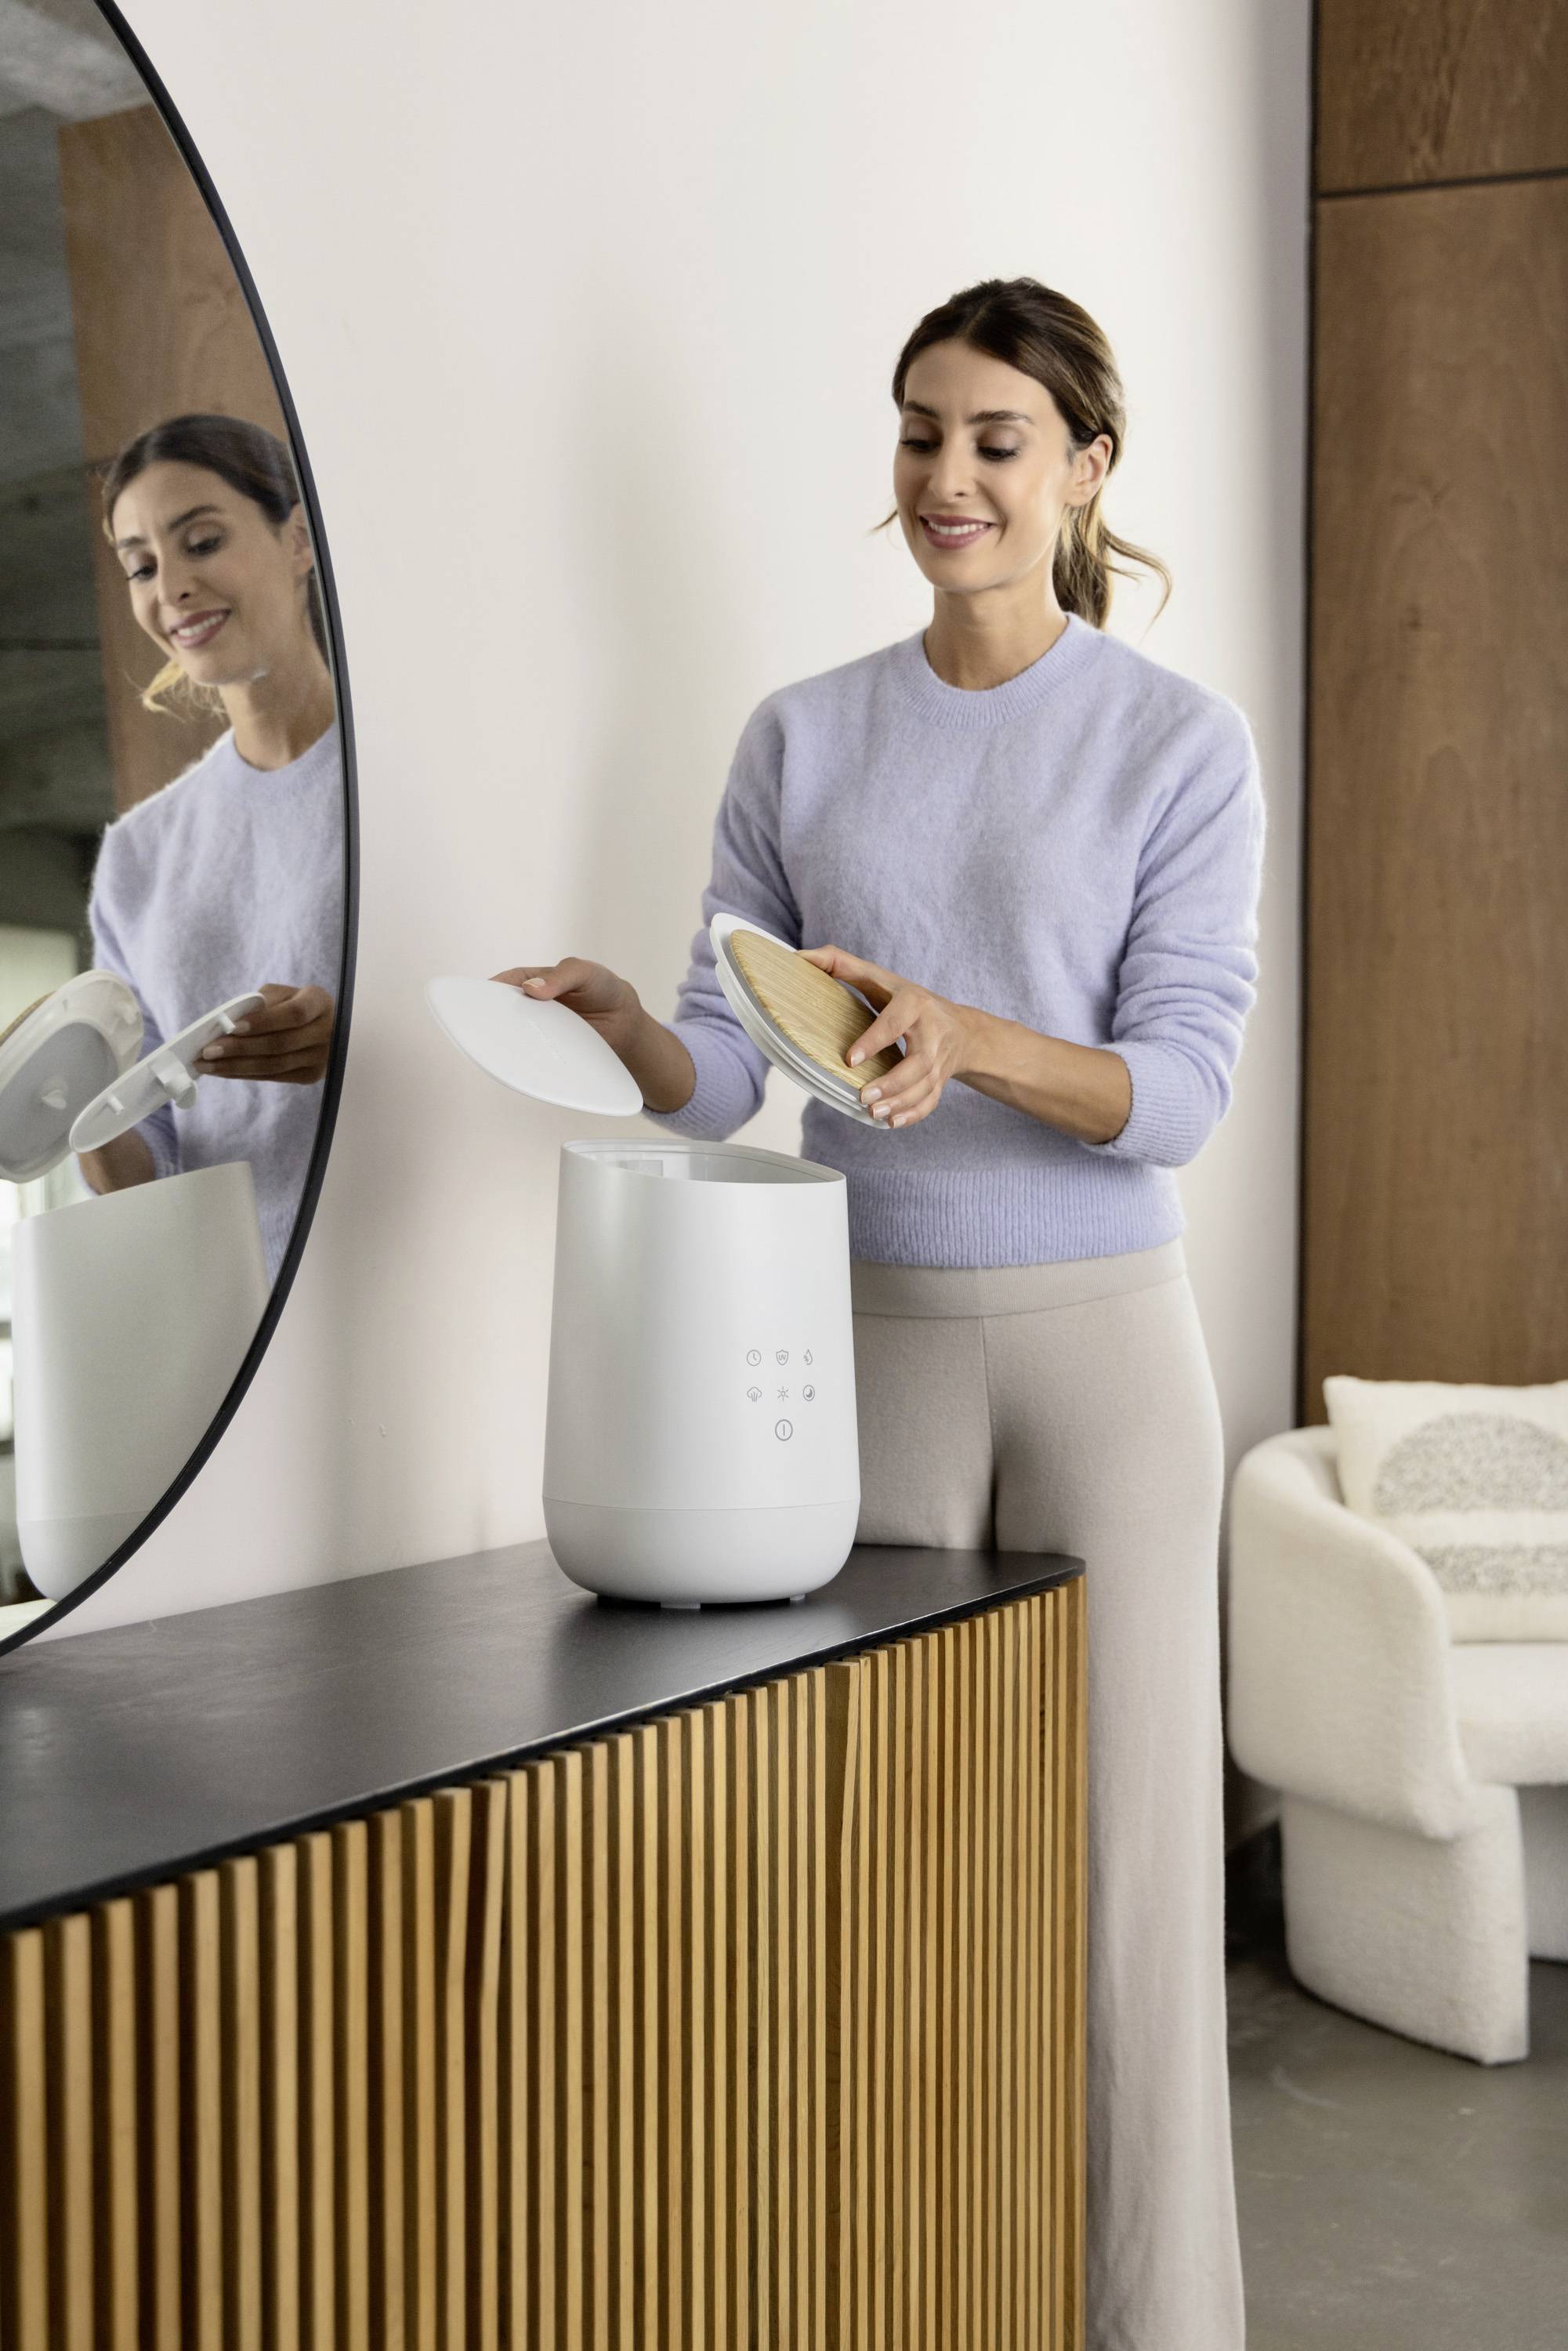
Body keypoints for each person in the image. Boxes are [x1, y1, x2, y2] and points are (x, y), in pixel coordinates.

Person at [498, 276, 1262, 2350]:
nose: (946, 477)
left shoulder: (1175, 744)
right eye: (920, 432)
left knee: (1122, 1898)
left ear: (1085, 470)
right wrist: (627, 1043)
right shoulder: (803, 734)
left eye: (996, 441)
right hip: (860, 1350)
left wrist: (974, 1039)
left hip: (1106, 1357)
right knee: (894, 1877)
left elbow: (1176, 1095)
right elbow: (735, 1065)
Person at [81, 413, 343, 1283]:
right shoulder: (137, 858)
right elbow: (149, 1169)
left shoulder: (416, 784)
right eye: (142, 567)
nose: (173, 589)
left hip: (441, 1271)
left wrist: (355, 1045)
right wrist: (72, 1107)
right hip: (239, 1327)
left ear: (298, 538)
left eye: (201, 541)